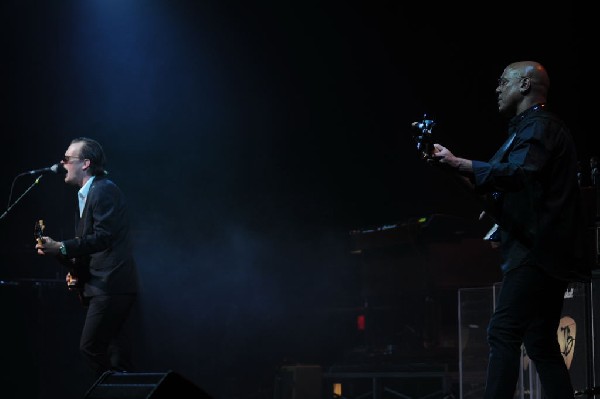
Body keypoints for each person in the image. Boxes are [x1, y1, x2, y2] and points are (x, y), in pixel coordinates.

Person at [425, 61, 590, 398]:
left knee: (503, 332)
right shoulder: (523, 132)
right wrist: (449, 167)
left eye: (503, 82)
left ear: (526, 85)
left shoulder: (541, 126)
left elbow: (517, 174)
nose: (497, 89)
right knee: (540, 343)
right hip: (537, 253)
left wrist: (459, 162)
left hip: (537, 254)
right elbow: (497, 193)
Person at [35, 137, 140, 377]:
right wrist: (74, 271)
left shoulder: (104, 189)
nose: (62, 164)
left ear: (85, 163)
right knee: (117, 356)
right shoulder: (87, 194)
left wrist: (62, 247)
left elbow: (104, 237)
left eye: (67, 159)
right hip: (104, 285)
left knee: (90, 347)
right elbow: (92, 248)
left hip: (112, 285)